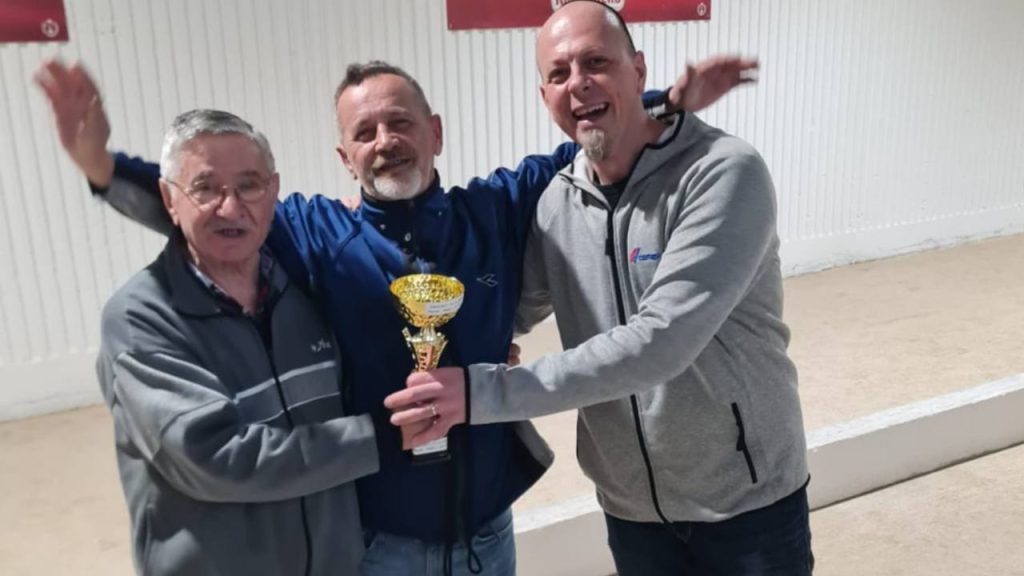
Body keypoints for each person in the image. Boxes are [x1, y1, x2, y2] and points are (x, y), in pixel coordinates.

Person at [36, 52, 752, 575]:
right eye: (366, 132)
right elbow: (214, 206)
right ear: (345, 156)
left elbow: (589, 134)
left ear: (435, 131)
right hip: (380, 542)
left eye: (400, 122)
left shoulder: (498, 206)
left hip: (489, 529)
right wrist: (103, 166)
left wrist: (663, 101)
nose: (385, 141)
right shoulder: (311, 232)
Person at [385, 2, 813, 575]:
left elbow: (659, 343)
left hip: (746, 502)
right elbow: (513, 309)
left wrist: (479, 391)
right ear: (545, 97)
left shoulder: (721, 172)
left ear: (638, 71)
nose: (578, 83)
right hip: (630, 508)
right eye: (559, 73)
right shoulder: (557, 203)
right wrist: (472, 344)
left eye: (595, 62)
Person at [83, 108, 378, 575]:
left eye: (249, 185)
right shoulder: (140, 318)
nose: (230, 207)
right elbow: (217, 459)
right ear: (169, 199)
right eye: (205, 188)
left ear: (274, 191)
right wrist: (377, 439)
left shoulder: (308, 290)